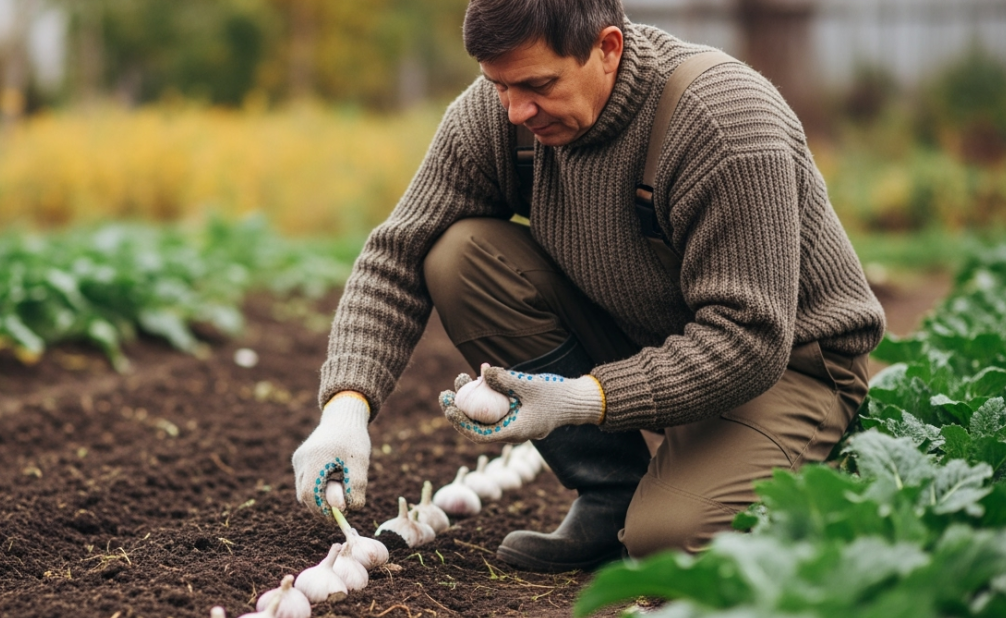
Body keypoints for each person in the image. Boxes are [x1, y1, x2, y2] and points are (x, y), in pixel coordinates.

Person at [291, 0, 885, 572]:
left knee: (671, 542)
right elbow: (399, 252)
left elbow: (750, 338)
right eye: (500, 86)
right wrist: (346, 410)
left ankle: (836, 478)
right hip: (648, 333)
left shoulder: (722, 125)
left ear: (607, 48)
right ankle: (610, 494)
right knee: (456, 254)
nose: (516, 110)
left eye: (537, 86)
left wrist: (579, 398)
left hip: (787, 367)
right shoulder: (502, 114)